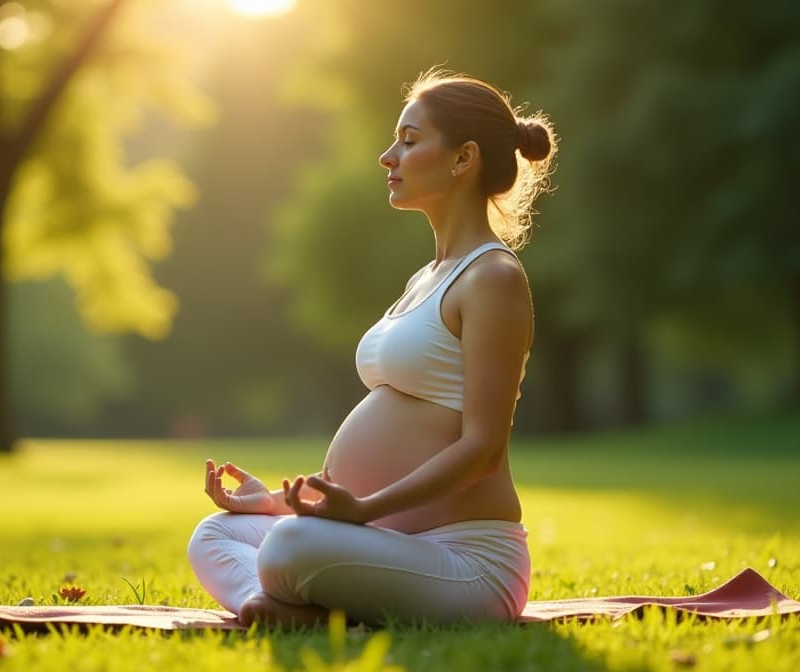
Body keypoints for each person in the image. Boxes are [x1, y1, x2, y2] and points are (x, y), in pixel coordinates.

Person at [187, 69, 556, 627]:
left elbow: (483, 448)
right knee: (217, 533)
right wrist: (278, 502)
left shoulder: (493, 279)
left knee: (288, 550)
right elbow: (394, 445)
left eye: (409, 141)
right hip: (383, 540)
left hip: (464, 561)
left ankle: (282, 605)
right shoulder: (426, 278)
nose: (388, 157)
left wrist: (363, 511)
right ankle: (272, 609)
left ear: (464, 158)